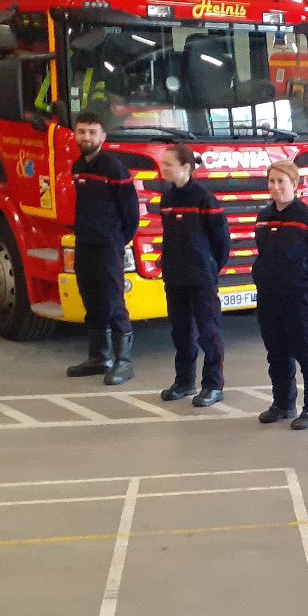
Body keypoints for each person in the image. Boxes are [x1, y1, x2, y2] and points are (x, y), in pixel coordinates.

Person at [253, 160, 308, 429]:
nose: (275, 187)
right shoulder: (264, 218)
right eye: (271, 181)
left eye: (281, 182)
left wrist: (307, 280)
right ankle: (283, 404)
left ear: (295, 185)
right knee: (277, 353)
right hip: (271, 298)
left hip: (303, 299)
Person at [65, 111, 140, 385]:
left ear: (103, 137)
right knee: (91, 298)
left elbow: (131, 212)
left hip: (109, 245)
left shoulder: (114, 168)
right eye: (82, 131)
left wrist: (118, 240)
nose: (86, 137)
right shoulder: (77, 167)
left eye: (92, 132)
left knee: (113, 299)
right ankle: (99, 357)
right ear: (75, 134)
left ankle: (123, 362)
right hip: (85, 243)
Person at [155, 143, 229, 407]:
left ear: (185, 167)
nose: (163, 169)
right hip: (175, 278)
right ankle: (184, 382)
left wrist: (207, 267)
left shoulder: (204, 200)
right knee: (181, 331)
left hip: (201, 279)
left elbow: (221, 242)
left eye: (168, 165)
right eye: (163, 164)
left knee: (208, 333)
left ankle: (213, 385)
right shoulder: (167, 199)